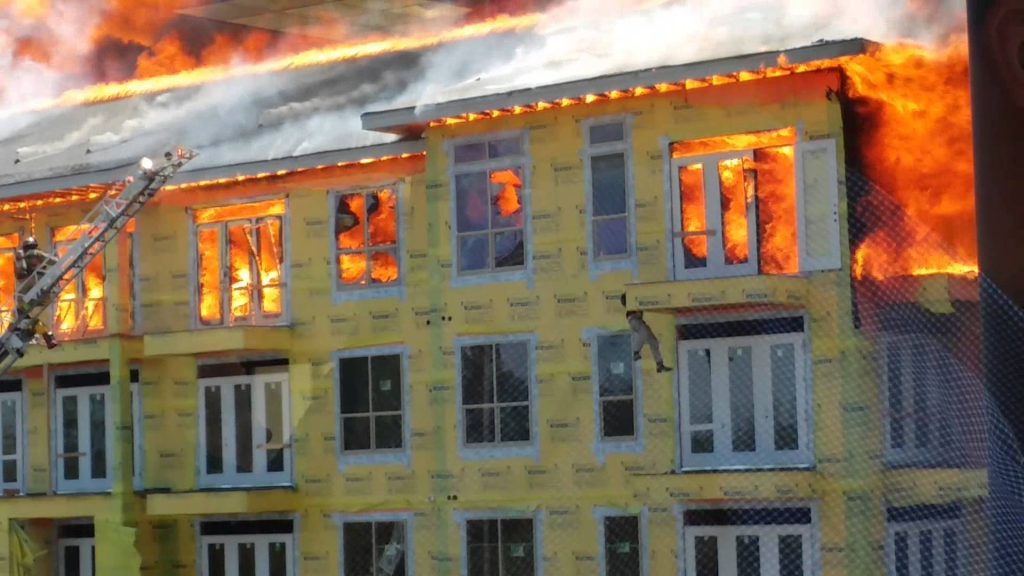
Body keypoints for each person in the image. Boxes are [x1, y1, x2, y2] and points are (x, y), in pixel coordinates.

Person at [13, 236, 58, 350]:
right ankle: (48, 337)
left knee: (20, 303)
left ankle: (47, 336)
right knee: (30, 315)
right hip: (43, 285)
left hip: (30, 283)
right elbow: (54, 261)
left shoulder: (21, 256)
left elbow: (19, 274)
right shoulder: (38, 254)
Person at [621, 294, 670, 373]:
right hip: (634, 319)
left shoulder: (638, 301)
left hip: (640, 321)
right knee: (643, 332)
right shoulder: (631, 304)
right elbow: (626, 301)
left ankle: (659, 364)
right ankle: (636, 352)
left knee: (653, 342)